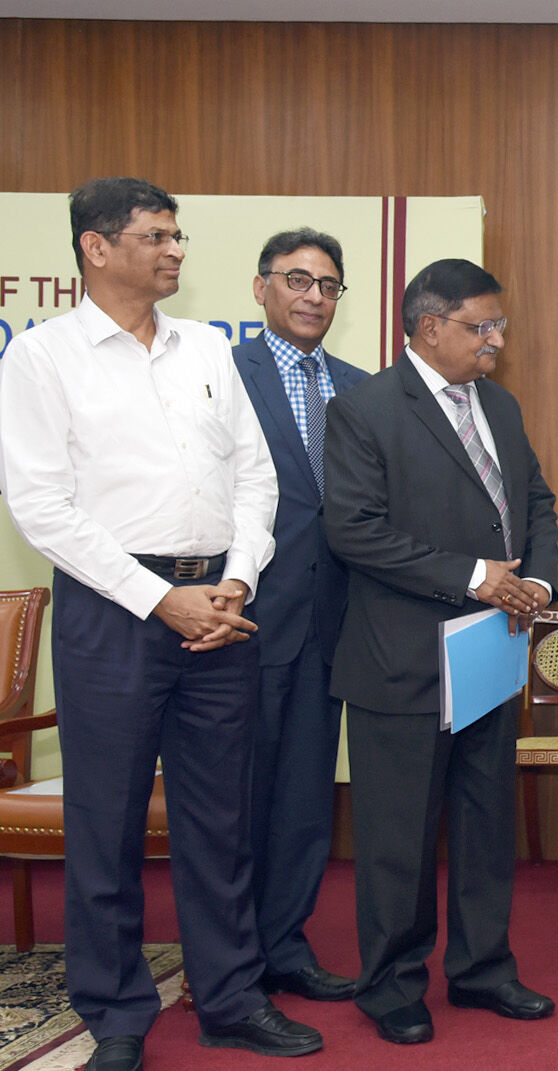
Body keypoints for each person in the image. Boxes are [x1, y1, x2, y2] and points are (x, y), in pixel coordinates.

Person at [0, 177, 322, 1069]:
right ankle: (115, 1014)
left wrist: (237, 583)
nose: (176, 250)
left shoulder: (207, 350)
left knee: (221, 820)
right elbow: (41, 508)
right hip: (114, 614)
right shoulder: (41, 358)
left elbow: (257, 479)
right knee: (103, 822)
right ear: (97, 248)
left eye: (177, 235)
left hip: (219, 609)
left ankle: (229, 997)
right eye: (156, 236)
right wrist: (156, 597)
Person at [323, 258, 558, 1045]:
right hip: (402, 659)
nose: (497, 340)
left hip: (489, 654)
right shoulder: (364, 409)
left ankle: (483, 969)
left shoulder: (500, 402)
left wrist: (541, 586)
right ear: (429, 327)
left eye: (499, 325)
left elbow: (535, 501)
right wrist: (475, 578)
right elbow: (354, 529)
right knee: (398, 836)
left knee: (485, 823)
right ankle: (390, 984)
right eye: (481, 326)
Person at [232, 228, 369, 1004]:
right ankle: (229, 957)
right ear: (261, 289)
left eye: (328, 285)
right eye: (297, 280)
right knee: (237, 802)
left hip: (331, 625)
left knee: (306, 802)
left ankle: (284, 943)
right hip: (244, 621)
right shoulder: (221, 373)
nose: (314, 296)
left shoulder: (361, 386)